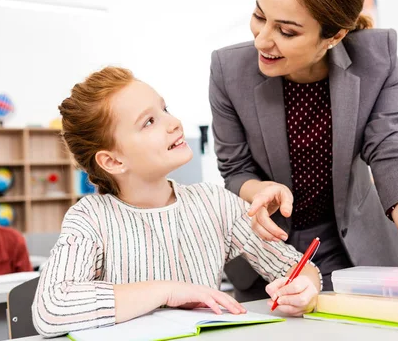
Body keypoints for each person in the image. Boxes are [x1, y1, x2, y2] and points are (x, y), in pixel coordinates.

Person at [209, 0, 398, 302]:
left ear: (334, 36)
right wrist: (261, 192)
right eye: (259, 16)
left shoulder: (377, 60)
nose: (262, 40)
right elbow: (235, 169)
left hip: (353, 250)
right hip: (266, 250)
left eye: (286, 31)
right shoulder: (228, 70)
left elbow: (393, 156)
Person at [31, 67, 322, 337]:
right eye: (149, 122)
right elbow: (50, 309)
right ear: (113, 160)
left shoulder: (213, 202)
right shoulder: (91, 217)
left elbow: (299, 269)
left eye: (165, 109)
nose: (174, 123)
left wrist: (305, 291)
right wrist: (166, 291)